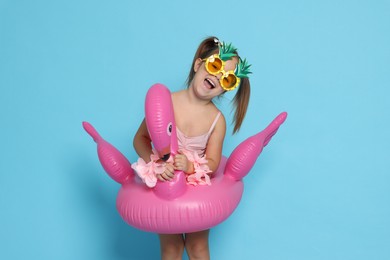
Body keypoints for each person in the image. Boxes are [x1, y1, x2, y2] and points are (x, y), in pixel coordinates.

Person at [133, 36, 251, 260]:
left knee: (197, 247)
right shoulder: (165, 101)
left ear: (225, 90)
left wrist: (189, 167)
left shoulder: (217, 120)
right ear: (198, 64)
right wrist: (156, 164)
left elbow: (214, 163)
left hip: (195, 190)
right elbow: (140, 138)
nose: (217, 77)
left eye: (226, 79)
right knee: (172, 247)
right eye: (215, 66)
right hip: (165, 184)